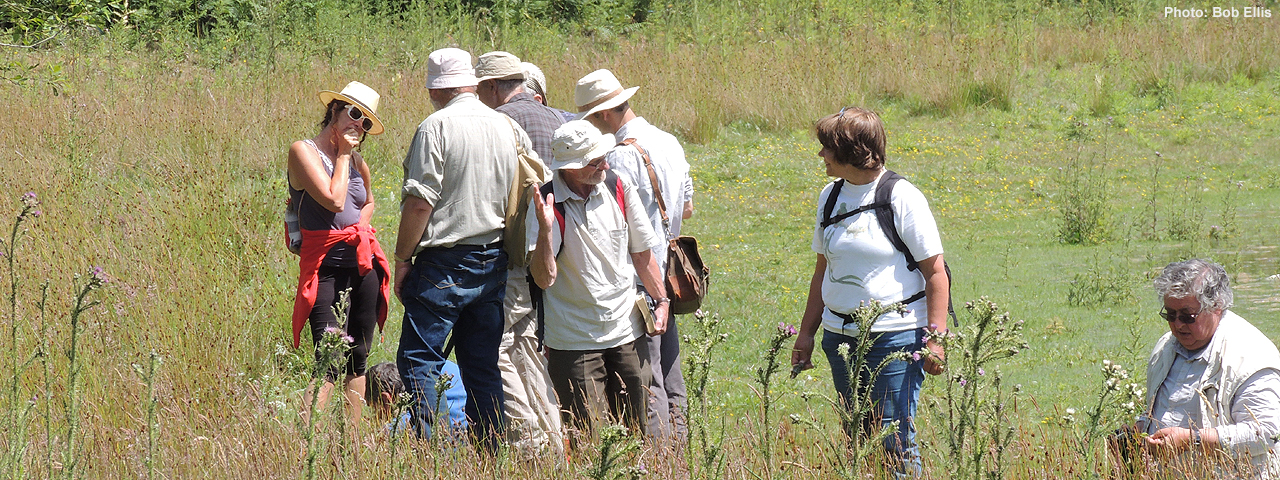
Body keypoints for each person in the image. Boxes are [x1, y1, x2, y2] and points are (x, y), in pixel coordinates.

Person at [789, 107, 948, 477]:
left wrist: (936, 341)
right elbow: (822, 269)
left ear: (849, 151)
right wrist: (807, 333)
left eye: (827, 147)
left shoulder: (902, 196)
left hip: (894, 339)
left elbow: (936, 272)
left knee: (893, 439)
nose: (820, 155)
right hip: (839, 338)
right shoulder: (829, 196)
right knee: (856, 436)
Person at [393, 48, 532, 449]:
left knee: (419, 360)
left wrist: (404, 259)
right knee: (482, 366)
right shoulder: (506, 126)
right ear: (471, 83)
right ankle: (491, 452)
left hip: (444, 264)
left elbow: (420, 202)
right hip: (493, 260)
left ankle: (435, 453)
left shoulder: (435, 127)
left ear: (437, 90)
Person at [528, 120, 668, 441]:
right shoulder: (545, 203)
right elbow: (543, 277)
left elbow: (642, 254)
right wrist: (546, 231)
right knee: (585, 440)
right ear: (571, 168)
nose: (606, 164)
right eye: (596, 161)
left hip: (627, 334)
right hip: (573, 344)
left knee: (635, 435)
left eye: (604, 156)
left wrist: (661, 301)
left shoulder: (618, 186)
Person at [575, 68, 694, 442]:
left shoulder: (620, 156)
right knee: (671, 376)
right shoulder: (668, 141)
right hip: (670, 277)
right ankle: (682, 453)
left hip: (640, 278)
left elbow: (617, 226)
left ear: (605, 115)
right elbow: (687, 208)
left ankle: (659, 459)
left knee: (648, 380)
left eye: (591, 121)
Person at [474, 50, 565, 456]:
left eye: (480, 89)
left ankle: (530, 442)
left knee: (497, 346)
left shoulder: (502, 123)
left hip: (515, 252)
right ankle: (554, 435)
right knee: (528, 343)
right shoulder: (557, 118)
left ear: (493, 87)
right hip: (554, 249)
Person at [287, 81, 390, 426]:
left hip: (363, 265)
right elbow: (333, 199)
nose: (357, 125)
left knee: (358, 357)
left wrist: (361, 226)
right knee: (328, 359)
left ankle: (354, 444)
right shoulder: (303, 152)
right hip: (325, 267)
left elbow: (369, 201)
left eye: (364, 123)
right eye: (354, 114)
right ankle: (308, 445)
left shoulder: (359, 162)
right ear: (334, 109)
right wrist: (343, 156)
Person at [1120, 259, 1280, 477]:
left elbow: (1267, 433)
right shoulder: (1165, 347)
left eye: (1187, 316)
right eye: (1170, 314)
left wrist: (1192, 440)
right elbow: (1163, 408)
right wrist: (1137, 433)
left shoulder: (1250, 357)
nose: (1177, 324)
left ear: (1216, 306)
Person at [367, 361, 468, 438]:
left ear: (386, 399)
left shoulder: (405, 425)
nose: (374, 413)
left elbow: (382, 437)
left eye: (373, 407)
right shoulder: (444, 365)